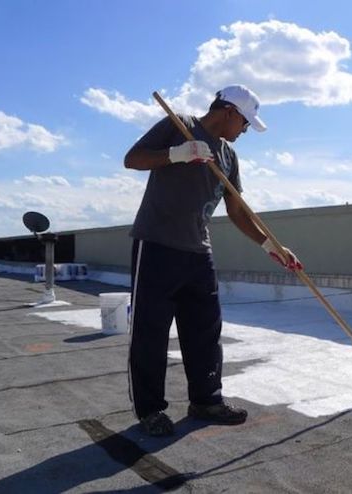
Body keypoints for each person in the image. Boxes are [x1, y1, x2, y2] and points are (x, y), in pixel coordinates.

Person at [123, 85, 303, 436]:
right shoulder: (180, 125)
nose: (245, 131)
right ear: (229, 112)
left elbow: (237, 210)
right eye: (245, 123)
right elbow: (133, 159)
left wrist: (271, 245)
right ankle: (150, 410)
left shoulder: (228, 156)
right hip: (157, 244)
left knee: (205, 331)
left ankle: (206, 400)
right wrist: (177, 154)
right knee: (150, 332)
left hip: (198, 251)